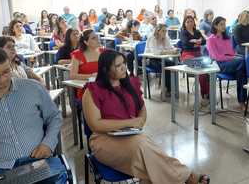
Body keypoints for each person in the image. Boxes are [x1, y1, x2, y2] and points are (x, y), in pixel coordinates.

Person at [82, 50, 210, 184]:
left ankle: (185, 177)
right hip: (103, 140)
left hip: (130, 136)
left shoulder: (129, 84)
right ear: (105, 69)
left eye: (124, 63)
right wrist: (130, 122)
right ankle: (187, 176)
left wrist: (141, 120)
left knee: (147, 163)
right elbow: (95, 125)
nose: (124, 67)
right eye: (118, 65)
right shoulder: (93, 91)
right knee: (143, 146)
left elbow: (142, 108)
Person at [0, 47, 66, 184]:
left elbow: (54, 117)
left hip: (37, 159)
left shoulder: (33, 88)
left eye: (6, 71)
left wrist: (48, 144)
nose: (2, 79)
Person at [207, 17, 248, 110]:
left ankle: (242, 101)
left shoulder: (227, 38)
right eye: (221, 24)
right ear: (215, 26)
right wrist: (231, 57)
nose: (224, 26)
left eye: (224, 24)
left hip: (231, 63)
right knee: (242, 63)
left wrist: (232, 57)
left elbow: (231, 52)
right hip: (219, 64)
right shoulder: (211, 39)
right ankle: (242, 101)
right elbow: (215, 57)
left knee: (242, 69)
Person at [180, 15, 209, 101]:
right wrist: (197, 42)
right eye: (187, 21)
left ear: (194, 22)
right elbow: (185, 44)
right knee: (201, 70)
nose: (189, 23)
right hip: (187, 55)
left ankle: (207, 93)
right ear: (184, 23)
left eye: (191, 21)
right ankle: (205, 93)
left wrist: (195, 42)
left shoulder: (197, 32)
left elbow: (204, 41)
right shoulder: (183, 32)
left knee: (207, 72)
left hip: (198, 55)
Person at [145, 24, 178, 97]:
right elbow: (155, 52)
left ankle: (172, 88)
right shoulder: (152, 38)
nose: (165, 33)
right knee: (167, 66)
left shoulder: (165, 37)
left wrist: (174, 49)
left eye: (166, 31)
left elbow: (170, 47)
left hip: (162, 59)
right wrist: (168, 51)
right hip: (151, 60)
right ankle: (167, 89)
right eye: (163, 31)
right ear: (158, 31)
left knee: (173, 64)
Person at [70, 29, 102, 100]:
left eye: (97, 36)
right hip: (87, 89)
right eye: (94, 38)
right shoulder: (78, 54)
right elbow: (72, 75)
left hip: (104, 86)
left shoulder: (104, 52)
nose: (97, 39)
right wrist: (91, 76)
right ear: (86, 42)